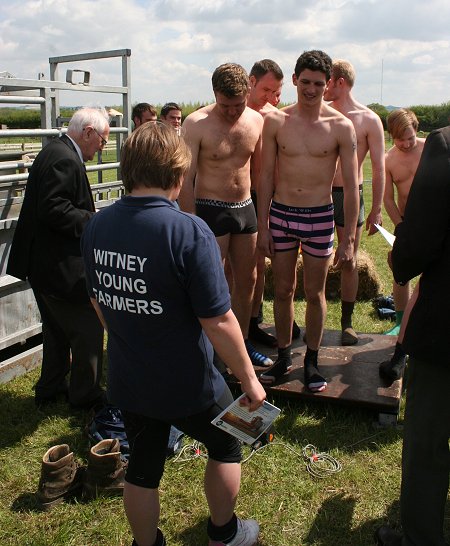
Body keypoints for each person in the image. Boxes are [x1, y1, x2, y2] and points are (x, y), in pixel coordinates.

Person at [81, 122, 266, 546]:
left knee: (142, 468)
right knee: (229, 442)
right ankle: (224, 533)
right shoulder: (189, 231)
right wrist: (251, 381)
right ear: (179, 173)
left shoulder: (96, 226)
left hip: (130, 376)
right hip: (188, 379)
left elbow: (97, 299)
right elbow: (218, 320)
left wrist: (129, 330)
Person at [257, 50, 359, 391]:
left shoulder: (341, 127)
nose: (311, 90)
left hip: (320, 216)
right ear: (296, 79)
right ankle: (285, 355)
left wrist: (349, 239)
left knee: (314, 293)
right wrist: (263, 225)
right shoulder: (276, 122)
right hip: (282, 215)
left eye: (318, 83)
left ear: (328, 84)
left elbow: (353, 185)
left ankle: (312, 361)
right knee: (283, 290)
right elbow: (265, 178)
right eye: (305, 82)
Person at [375, 126, 450, 546]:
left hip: (446, 327)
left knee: (427, 438)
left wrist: (400, 263)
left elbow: (420, 237)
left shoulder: (444, 146)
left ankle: (421, 536)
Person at [6, 107, 109, 409]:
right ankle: (85, 396)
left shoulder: (55, 150)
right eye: (102, 140)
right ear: (88, 132)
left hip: (45, 266)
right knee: (88, 329)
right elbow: (53, 209)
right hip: (60, 268)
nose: (101, 147)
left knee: (56, 332)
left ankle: (50, 390)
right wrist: (93, 220)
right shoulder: (64, 157)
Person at [179, 63, 273, 369]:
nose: (233, 112)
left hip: (244, 209)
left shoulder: (257, 120)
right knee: (210, 283)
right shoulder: (196, 123)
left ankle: (241, 344)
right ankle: (206, 348)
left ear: (248, 92)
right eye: (225, 105)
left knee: (249, 279)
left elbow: (259, 175)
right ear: (214, 95)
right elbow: (185, 180)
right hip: (210, 209)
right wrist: (191, 222)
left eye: (238, 105)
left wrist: (265, 220)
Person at [324, 59, 386, 345]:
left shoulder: (368, 119)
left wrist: (376, 209)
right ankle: (317, 318)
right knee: (318, 258)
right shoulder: (320, 114)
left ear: (339, 82)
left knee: (349, 259)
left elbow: (379, 166)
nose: (321, 87)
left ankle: (347, 323)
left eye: (326, 81)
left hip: (351, 193)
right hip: (320, 194)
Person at [379, 109, 425, 381]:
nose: (407, 144)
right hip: (406, 223)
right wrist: (401, 227)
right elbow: (387, 199)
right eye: (401, 140)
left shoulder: (432, 148)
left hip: (435, 220)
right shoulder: (388, 159)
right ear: (392, 137)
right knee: (400, 272)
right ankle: (399, 323)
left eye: (410, 138)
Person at [247, 59, 284, 348]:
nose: (270, 97)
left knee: (258, 263)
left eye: (275, 91)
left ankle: (254, 321)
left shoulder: (273, 116)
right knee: (229, 268)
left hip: (263, 196)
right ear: (251, 81)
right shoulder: (233, 109)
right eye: (266, 89)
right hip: (232, 196)